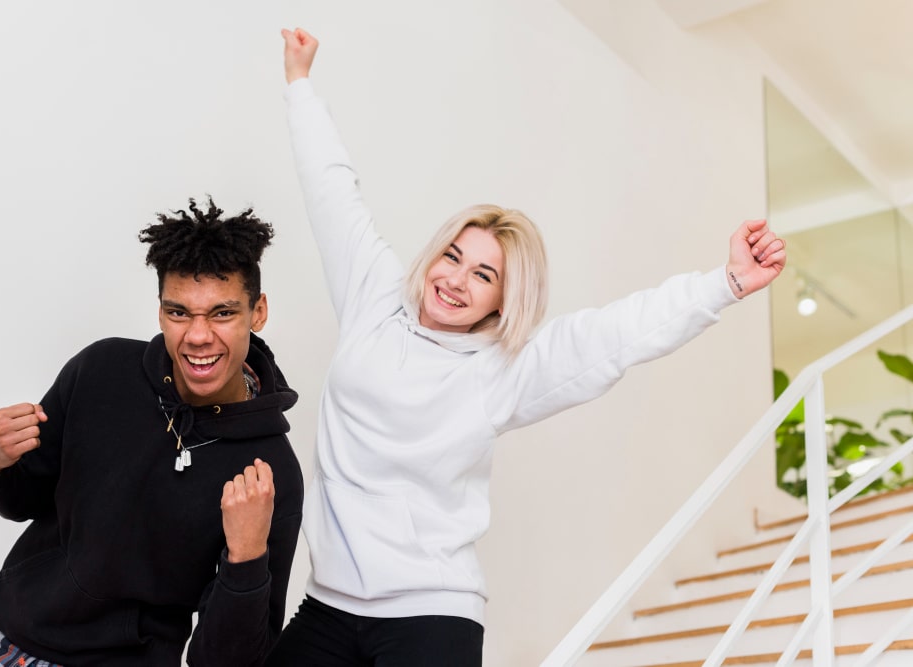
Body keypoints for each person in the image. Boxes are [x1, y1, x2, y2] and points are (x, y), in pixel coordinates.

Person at [267, 28, 787, 667]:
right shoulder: (373, 299)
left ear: (502, 301)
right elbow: (332, 192)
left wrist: (727, 282)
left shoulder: (506, 371)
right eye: (454, 256)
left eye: (483, 275)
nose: (455, 280)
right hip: (328, 603)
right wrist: (299, 83)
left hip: (432, 614)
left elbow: (620, 333)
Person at [0, 197, 303, 667]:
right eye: (179, 312)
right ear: (160, 311)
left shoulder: (270, 471)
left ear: (257, 312)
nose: (198, 336)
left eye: (222, 313)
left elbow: (228, 661)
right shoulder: (101, 369)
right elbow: (23, 501)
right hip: (1, 647)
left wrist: (245, 557)